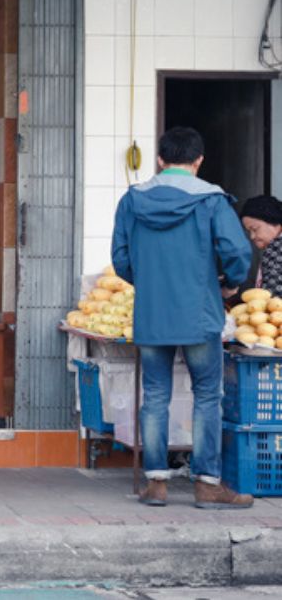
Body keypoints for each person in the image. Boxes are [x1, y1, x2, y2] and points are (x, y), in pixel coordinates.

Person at [112, 126, 253, 509]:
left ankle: (156, 483)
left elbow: (121, 258)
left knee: (155, 395)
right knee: (207, 395)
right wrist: (229, 285)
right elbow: (237, 251)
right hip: (200, 313)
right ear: (198, 161)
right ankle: (207, 485)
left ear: (160, 159)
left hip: (152, 315)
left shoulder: (132, 200)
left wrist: (148, 283)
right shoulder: (212, 201)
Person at [239, 195, 282, 296]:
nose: (252, 236)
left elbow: (272, 297)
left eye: (255, 229)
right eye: (249, 231)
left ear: (274, 221)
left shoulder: (276, 247)